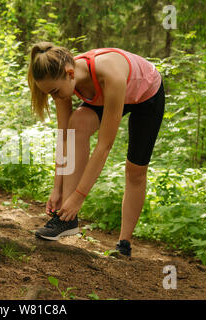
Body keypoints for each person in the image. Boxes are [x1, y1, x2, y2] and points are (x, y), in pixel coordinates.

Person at [27, 42, 165, 256]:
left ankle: (124, 244)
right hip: (108, 94)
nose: (55, 98)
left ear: (70, 73)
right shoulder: (62, 81)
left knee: (135, 170)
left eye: (55, 92)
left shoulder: (110, 74)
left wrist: (78, 197)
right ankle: (67, 220)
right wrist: (58, 189)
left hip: (146, 95)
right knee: (77, 124)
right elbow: (65, 138)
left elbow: (104, 146)